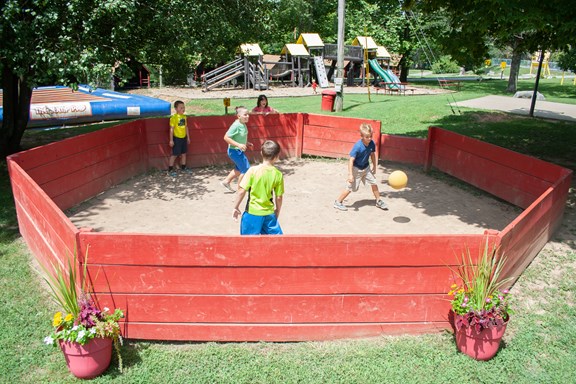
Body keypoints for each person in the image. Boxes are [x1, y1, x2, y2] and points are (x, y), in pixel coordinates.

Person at [232, 140, 284, 235]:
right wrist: (277, 211)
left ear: (261, 153)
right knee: (277, 243)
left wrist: (235, 207)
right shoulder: (278, 174)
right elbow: (279, 197)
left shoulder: (252, 171)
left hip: (252, 213)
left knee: (248, 244)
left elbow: (241, 191)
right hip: (269, 214)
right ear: (277, 156)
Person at [333, 123, 388, 211]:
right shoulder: (358, 146)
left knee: (374, 182)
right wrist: (350, 174)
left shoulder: (371, 143)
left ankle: (379, 201)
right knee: (350, 188)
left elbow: (372, 154)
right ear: (361, 136)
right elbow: (351, 160)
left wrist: (374, 165)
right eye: (367, 137)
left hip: (366, 168)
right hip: (356, 170)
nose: (369, 139)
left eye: (370, 136)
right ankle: (338, 202)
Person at [221, 106, 253, 192]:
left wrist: (246, 143)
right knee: (246, 169)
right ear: (238, 116)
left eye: (248, 114)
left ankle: (226, 181)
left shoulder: (243, 124)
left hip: (238, 150)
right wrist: (238, 145)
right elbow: (226, 138)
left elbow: (239, 137)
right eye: (245, 115)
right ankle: (240, 190)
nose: (247, 116)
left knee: (239, 168)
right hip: (234, 151)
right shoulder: (236, 125)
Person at [168, 100, 191, 176]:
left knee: (184, 153)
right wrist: (171, 140)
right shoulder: (173, 118)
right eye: (181, 108)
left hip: (183, 138)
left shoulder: (184, 117)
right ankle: (170, 169)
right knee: (175, 154)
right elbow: (171, 129)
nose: (183, 109)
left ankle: (183, 167)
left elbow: (186, 127)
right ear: (176, 108)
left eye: (184, 107)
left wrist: (188, 137)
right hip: (177, 138)